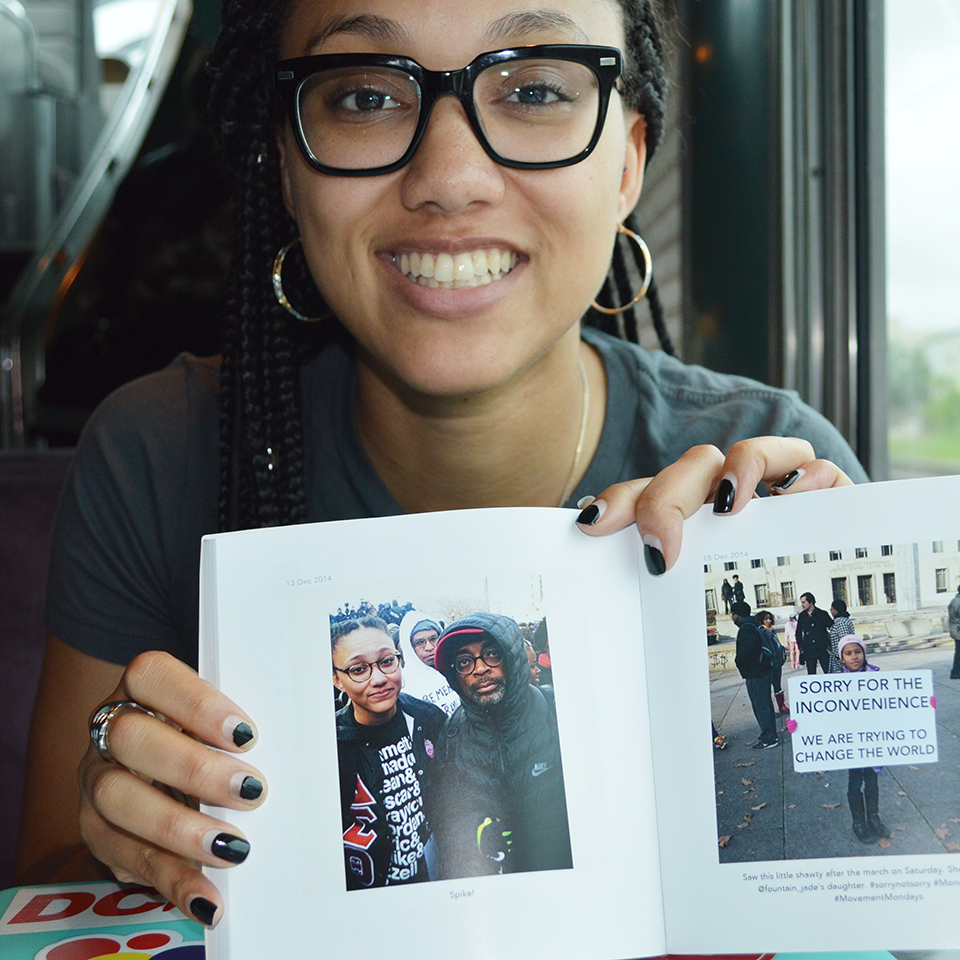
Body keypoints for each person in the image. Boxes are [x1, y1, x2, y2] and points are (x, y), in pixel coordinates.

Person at [14, 0, 867, 927]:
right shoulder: (159, 452)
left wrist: (840, 702)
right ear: (288, 166)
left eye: (534, 89)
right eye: (367, 95)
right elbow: (44, 893)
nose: (450, 179)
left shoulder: (772, 469)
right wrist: (124, 836)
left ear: (626, 164)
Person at [431, 613, 572, 877]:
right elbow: (449, 822)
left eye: (493, 654)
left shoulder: (559, 711)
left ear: (513, 657)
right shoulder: (451, 737)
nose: (480, 669)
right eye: (464, 662)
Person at [332, 616, 446, 887]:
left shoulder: (429, 719)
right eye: (358, 669)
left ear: (400, 660)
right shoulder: (332, 745)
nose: (379, 679)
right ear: (337, 679)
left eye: (386, 661)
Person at [839, 635, 889, 843]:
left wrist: (923, 704)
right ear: (842, 658)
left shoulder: (877, 678)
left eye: (857, 652)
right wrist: (798, 725)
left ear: (864, 653)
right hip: (851, 744)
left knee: (871, 782)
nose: (854, 657)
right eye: (848, 653)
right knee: (854, 783)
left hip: (872, 742)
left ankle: (874, 819)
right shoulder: (834, 685)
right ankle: (858, 823)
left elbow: (897, 705)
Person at [732, 601, 778, 749]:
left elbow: (746, 653)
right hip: (764, 669)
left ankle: (769, 738)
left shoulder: (746, 629)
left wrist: (740, 664)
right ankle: (770, 734)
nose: (732, 617)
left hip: (755, 672)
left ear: (738, 615)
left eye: (733, 614)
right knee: (765, 704)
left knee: (760, 706)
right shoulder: (755, 624)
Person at [397, 610, 461, 716]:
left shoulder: (455, 668)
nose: (429, 647)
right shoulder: (405, 685)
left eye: (433, 639)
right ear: (410, 648)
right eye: (420, 642)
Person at [758, 610, 788, 715]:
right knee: (767, 688)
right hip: (769, 663)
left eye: (769, 618)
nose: (768, 621)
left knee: (777, 685)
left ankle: (781, 706)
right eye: (765, 619)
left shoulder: (771, 631)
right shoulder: (762, 632)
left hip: (777, 662)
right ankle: (770, 710)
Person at [796, 592, 833, 675]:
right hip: (809, 649)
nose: (802, 605)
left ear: (811, 602)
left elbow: (832, 627)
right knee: (811, 674)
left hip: (822, 648)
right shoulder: (802, 616)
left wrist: (829, 644)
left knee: (828, 672)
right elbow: (798, 633)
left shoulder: (822, 614)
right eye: (801, 602)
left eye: (804, 602)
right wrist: (801, 648)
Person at [827, 598, 854, 674]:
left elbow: (844, 640)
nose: (831, 611)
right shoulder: (845, 620)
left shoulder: (840, 622)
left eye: (831, 609)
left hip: (840, 659)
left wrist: (843, 656)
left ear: (836, 610)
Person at [948, 586, 960, 680]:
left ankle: (955, 672)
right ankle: (955, 672)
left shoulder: (955, 601)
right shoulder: (957, 602)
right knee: (958, 653)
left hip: (956, 630)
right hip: (958, 631)